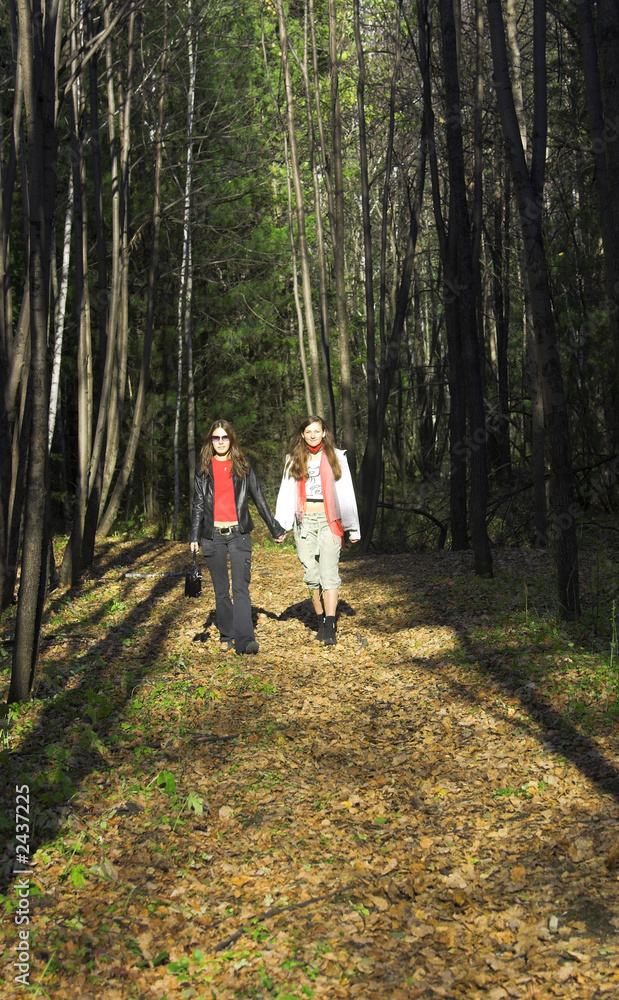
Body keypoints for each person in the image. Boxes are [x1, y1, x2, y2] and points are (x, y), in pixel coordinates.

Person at [191, 420, 286, 655]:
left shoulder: (243, 465)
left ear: (231, 439)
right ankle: (227, 634)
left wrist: (275, 528)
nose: (221, 442)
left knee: (241, 588)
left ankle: (245, 640)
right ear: (210, 441)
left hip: (239, 535)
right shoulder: (203, 468)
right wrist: (194, 535)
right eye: (216, 438)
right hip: (212, 537)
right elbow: (198, 504)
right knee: (221, 589)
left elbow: (259, 497)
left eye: (224, 437)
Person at [275, 416, 360, 646]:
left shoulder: (336, 458)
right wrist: (281, 525)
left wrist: (352, 527)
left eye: (317, 431)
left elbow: (346, 493)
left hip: (329, 520)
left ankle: (330, 627)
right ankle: (321, 621)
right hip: (304, 521)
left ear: (324, 433)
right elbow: (286, 494)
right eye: (308, 432)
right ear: (302, 435)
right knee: (313, 577)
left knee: (329, 574)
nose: (313, 435)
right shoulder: (293, 460)